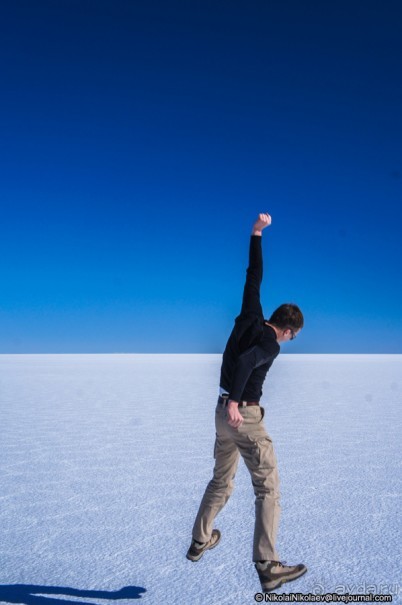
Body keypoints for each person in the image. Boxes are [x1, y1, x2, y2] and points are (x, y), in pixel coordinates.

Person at [186, 213, 307, 593]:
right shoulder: (271, 342)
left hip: (221, 413)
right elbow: (246, 361)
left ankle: (200, 540)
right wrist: (239, 403)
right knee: (267, 486)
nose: (289, 341)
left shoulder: (250, 314)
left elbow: (253, 275)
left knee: (221, 480)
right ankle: (268, 564)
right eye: (294, 336)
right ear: (287, 329)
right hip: (243, 416)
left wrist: (256, 233)